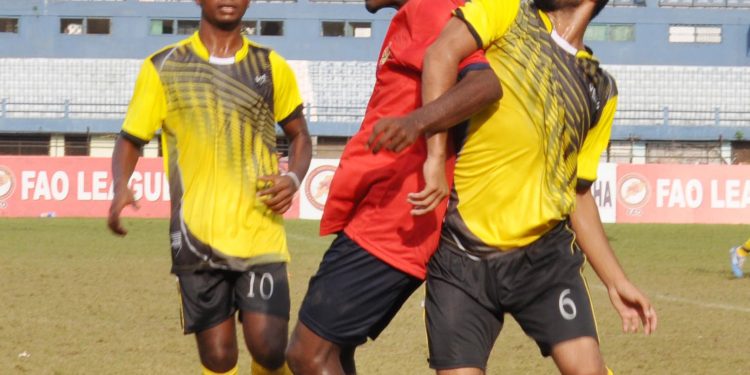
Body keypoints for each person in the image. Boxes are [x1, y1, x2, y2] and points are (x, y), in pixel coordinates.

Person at [367, 0, 658, 373]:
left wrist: (616, 282)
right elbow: (440, 53)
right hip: (460, 255)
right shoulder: (504, 10)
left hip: (543, 261)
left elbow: (578, 193)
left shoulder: (600, 88)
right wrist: (435, 157)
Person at [284, 0, 501, 374]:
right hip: (382, 212)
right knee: (335, 349)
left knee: (308, 353)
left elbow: (485, 83)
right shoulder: (414, 15)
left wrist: (421, 129)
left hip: (396, 217)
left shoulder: (431, 8)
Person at [107, 1, 312, 374]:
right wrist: (121, 185)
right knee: (218, 357)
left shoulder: (271, 66)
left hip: (259, 233)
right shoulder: (163, 66)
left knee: (268, 347)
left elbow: (300, 136)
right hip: (195, 237)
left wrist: (293, 178)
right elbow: (130, 139)